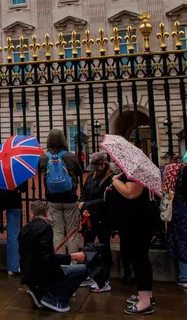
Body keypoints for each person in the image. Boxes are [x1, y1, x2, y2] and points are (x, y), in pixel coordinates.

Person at [20, 200, 88, 313]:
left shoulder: (24, 229)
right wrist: (72, 257)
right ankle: (56, 299)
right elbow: (47, 258)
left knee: (62, 270)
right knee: (83, 270)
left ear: (32, 215)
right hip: (43, 274)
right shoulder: (45, 228)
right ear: (47, 214)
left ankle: (38, 291)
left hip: (28, 275)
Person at [105, 170, 158, 315]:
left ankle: (145, 302)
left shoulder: (135, 172)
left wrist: (115, 180)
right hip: (132, 221)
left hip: (138, 222)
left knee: (139, 258)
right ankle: (146, 295)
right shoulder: (128, 172)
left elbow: (131, 193)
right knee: (138, 258)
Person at [38, 129, 82, 254]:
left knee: (57, 232)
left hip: (52, 199)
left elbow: (41, 171)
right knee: (72, 233)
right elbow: (79, 172)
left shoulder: (44, 157)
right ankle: (73, 262)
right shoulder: (71, 156)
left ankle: (61, 263)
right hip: (70, 198)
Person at [77, 151, 114, 293]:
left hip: (103, 218)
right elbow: (84, 193)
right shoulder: (91, 177)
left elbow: (105, 201)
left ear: (102, 165)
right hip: (90, 217)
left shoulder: (110, 179)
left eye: (96, 167)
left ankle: (104, 280)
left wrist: (86, 205)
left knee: (104, 247)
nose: (93, 170)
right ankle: (89, 274)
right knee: (88, 245)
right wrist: (82, 206)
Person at [0, 181, 27, 276]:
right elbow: (24, 188)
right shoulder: (16, 166)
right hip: (14, 199)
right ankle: (13, 267)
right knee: (14, 235)